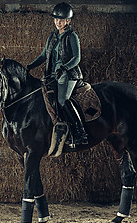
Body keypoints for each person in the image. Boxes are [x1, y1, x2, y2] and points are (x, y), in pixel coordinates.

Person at [26, 2, 88, 145]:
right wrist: (30, 66)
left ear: (68, 21)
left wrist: (64, 68)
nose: (58, 23)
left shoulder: (72, 36)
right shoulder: (52, 36)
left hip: (68, 74)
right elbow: (43, 55)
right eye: (56, 20)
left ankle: (80, 132)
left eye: (61, 20)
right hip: (53, 75)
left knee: (62, 100)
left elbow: (77, 58)